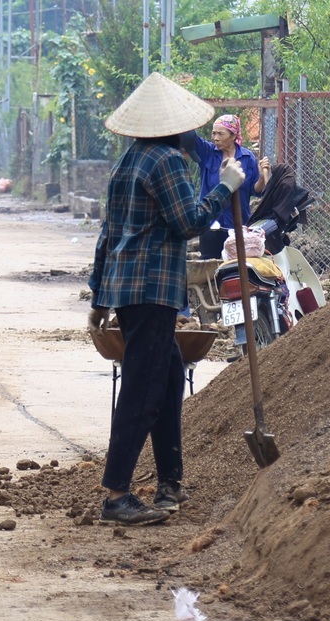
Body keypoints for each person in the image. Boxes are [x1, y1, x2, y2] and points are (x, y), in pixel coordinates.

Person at [87, 73, 242, 526]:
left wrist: (99, 297)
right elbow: (188, 221)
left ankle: (170, 481)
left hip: (127, 289)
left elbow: (107, 233)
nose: (196, 136)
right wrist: (226, 186)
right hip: (152, 289)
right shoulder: (166, 162)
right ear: (174, 127)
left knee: (169, 374)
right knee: (143, 388)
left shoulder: (129, 161)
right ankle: (116, 496)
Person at [189, 115, 269, 261]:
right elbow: (190, 138)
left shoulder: (247, 157)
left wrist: (263, 178)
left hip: (237, 227)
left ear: (233, 135)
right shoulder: (207, 153)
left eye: (221, 133)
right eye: (214, 133)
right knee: (211, 267)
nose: (215, 138)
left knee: (237, 269)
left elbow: (256, 191)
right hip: (211, 227)